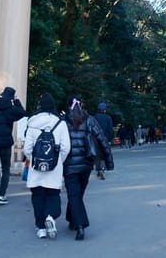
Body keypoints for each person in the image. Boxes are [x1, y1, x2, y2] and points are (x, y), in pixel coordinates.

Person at [63, 97, 114, 241]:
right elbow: (102, 139)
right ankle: (72, 219)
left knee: (74, 194)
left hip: (69, 164)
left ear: (68, 106)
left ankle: (80, 225)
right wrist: (108, 162)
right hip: (86, 163)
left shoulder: (63, 121)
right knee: (77, 194)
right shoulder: (89, 119)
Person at [24, 93, 71, 239]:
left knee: (37, 197)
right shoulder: (60, 123)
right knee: (53, 195)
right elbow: (66, 147)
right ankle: (50, 217)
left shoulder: (32, 123)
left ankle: (41, 228)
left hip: (36, 167)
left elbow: (27, 149)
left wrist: (34, 159)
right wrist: (58, 162)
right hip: (54, 168)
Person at [92, 102, 114, 179]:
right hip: (105, 138)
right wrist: (109, 139)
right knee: (104, 154)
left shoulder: (94, 117)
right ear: (104, 110)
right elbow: (110, 130)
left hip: (96, 138)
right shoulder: (108, 118)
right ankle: (103, 168)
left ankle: (99, 169)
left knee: (97, 154)